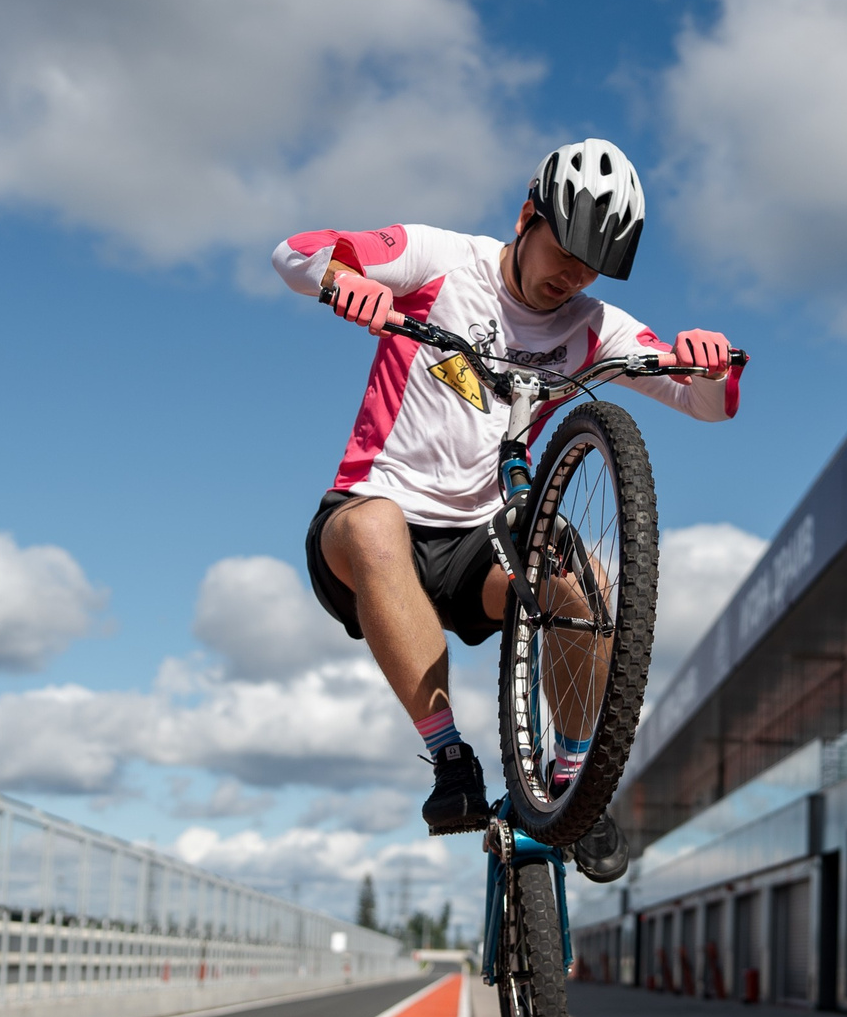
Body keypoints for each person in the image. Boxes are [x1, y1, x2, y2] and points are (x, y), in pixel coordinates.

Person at [274, 139, 742, 878]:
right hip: (370, 524)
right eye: (566, 251)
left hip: (478, 551)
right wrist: (343, 282)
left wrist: (709, 362)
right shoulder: (439, 260)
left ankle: (572, 781)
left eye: (593, 265)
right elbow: (295, 252)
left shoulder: (593, 327)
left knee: (576, 577)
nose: (573, 276)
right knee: (374, 524)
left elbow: (703, 403)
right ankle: (449, 755)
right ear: (528, 216)